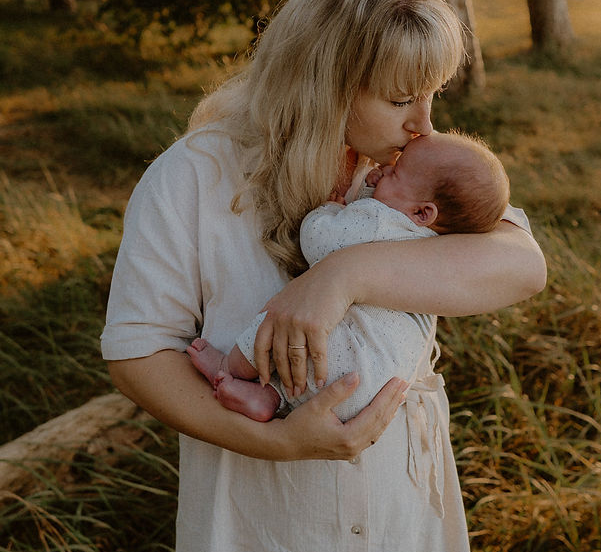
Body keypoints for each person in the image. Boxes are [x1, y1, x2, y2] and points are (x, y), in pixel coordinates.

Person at [101, 0, 546, 552]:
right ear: (324, 80)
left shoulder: (407, 172)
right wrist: (276, 443)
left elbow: (524, 265)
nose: (426, 124)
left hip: (400, 506)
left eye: (432, 94)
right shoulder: (192, 176)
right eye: (400, 99)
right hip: (262, 513)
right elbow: (137, 353)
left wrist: (345, 273)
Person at [187, 131, 512, 423]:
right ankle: (271, 398)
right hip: (380, 383)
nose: (382, 171)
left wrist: (328, 210)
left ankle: (229, 369)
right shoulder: (436, 247)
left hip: (342, 361)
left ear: (423, 212)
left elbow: (321, 243)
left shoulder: (381, 221)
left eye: (394, 172)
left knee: (280, 318)